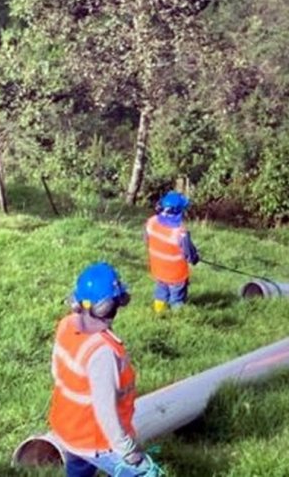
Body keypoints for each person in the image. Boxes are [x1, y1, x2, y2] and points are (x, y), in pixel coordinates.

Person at [48, 262, 162, 477]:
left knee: (79, 469)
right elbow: (106, 411)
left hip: (67, 429)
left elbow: (57, 372)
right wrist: (127, 450)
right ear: (109, 307)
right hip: (96, 439)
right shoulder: (102, 352)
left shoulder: (66, 325)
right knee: (147, 474)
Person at [145, 191, 199, 314]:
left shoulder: (151, 222)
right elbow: (189, 254)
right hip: (176, 273)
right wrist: (195, 258)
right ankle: (177, 316)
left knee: (161, 291)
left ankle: (159, 313)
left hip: (158, 267)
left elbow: (147, 239)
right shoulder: (180, 232)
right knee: (177, 297)